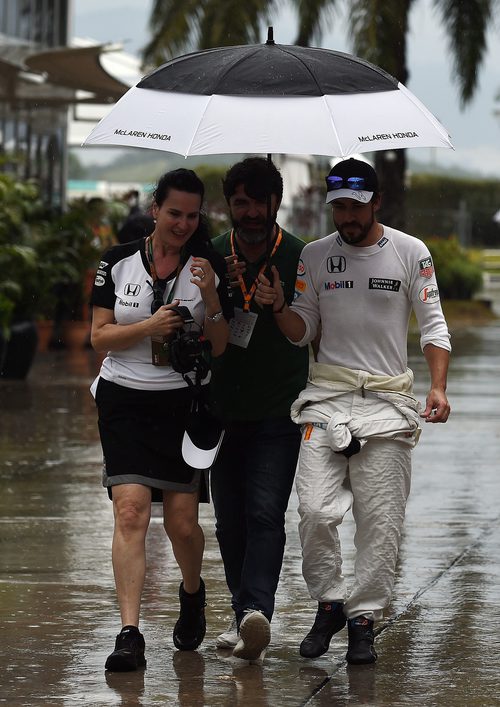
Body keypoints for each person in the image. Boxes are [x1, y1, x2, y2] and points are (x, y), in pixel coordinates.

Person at [255, 157, 451, 665]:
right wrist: (278, 307)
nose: (347, 216)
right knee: (316, 511)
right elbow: (304, 330)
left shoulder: (412, 252)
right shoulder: (315, 257)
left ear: (376, 202)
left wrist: (439, 387)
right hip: (326, 401)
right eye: (338, 207)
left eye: (356, 206)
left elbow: (433, 324)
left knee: (379, 522)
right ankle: (329, 602)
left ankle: (363, 618)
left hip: (388, 405)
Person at [90, 168, 233, 672]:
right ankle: (130, 632)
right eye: (174, 213)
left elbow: (219, 345)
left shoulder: (207, 263)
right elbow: (99, 337)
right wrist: (151, 326)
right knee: (130, 512)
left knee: (182, 523)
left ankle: (192, 593)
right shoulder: (118, 261)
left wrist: (212, 298)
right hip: (124, 399)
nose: (183, 224)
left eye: (193, 216)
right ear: (155, 209)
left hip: (181, 402)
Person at [209, 157, 310, 660]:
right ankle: (241, 614)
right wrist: (220, 296)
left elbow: (313, 334)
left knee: (265, 512)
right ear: (229, 205)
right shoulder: (208, 256)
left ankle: (257, 613)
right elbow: (198, 335)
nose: (249, 213)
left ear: (276, 202)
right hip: (221, 411)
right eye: (240, 202)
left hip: (279, 410)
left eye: (258, 202)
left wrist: (278, 303)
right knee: (229, 522)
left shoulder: (300, 256)